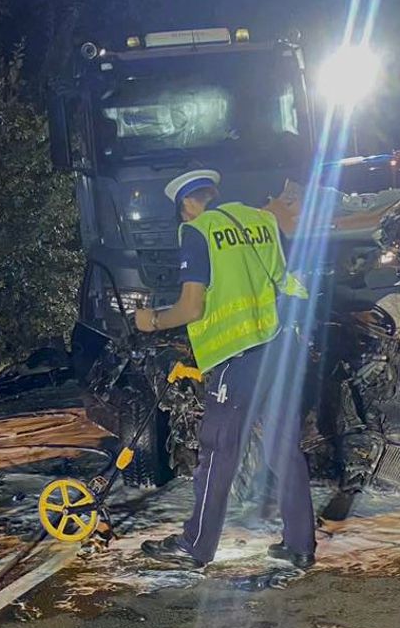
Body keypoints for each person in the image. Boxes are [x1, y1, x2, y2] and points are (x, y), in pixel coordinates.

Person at [133, 169, 316, 569]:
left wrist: (152, 321)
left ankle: (195, 545)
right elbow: (281, 281)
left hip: (238, 356)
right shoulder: (259, 221)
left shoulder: (197, 231)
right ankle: (300, 544)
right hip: (278, 347)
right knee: (284, 447)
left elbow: (191, 307)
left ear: (185, 205)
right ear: (213, 194)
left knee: (218, 451)